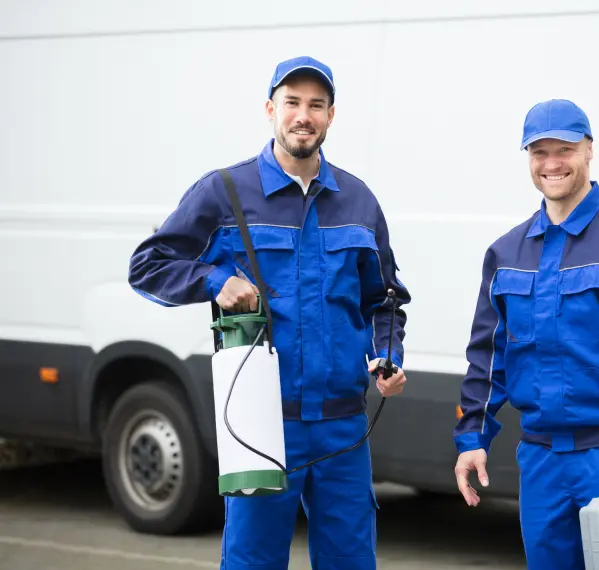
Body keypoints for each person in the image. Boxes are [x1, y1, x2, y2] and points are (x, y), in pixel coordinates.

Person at [128, 55, 410, 570]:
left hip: (343, 429)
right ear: (270, 109)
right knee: (252, 562)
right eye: (292, 103)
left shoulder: (359, 202)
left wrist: (386, 356)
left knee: (351, 561)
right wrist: (216, 280)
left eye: (316, 105)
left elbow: (385, 300)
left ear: (330, 116)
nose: (304, 115)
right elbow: (147, 267)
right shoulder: (225, 193)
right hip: (260, 425)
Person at [452, 99, 599, 568]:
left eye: (564, 149)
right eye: (538, 152)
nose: (551, 164)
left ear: (589, 151)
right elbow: (488, 357)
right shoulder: (506, 253)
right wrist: (472, 439)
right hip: (541, 462)